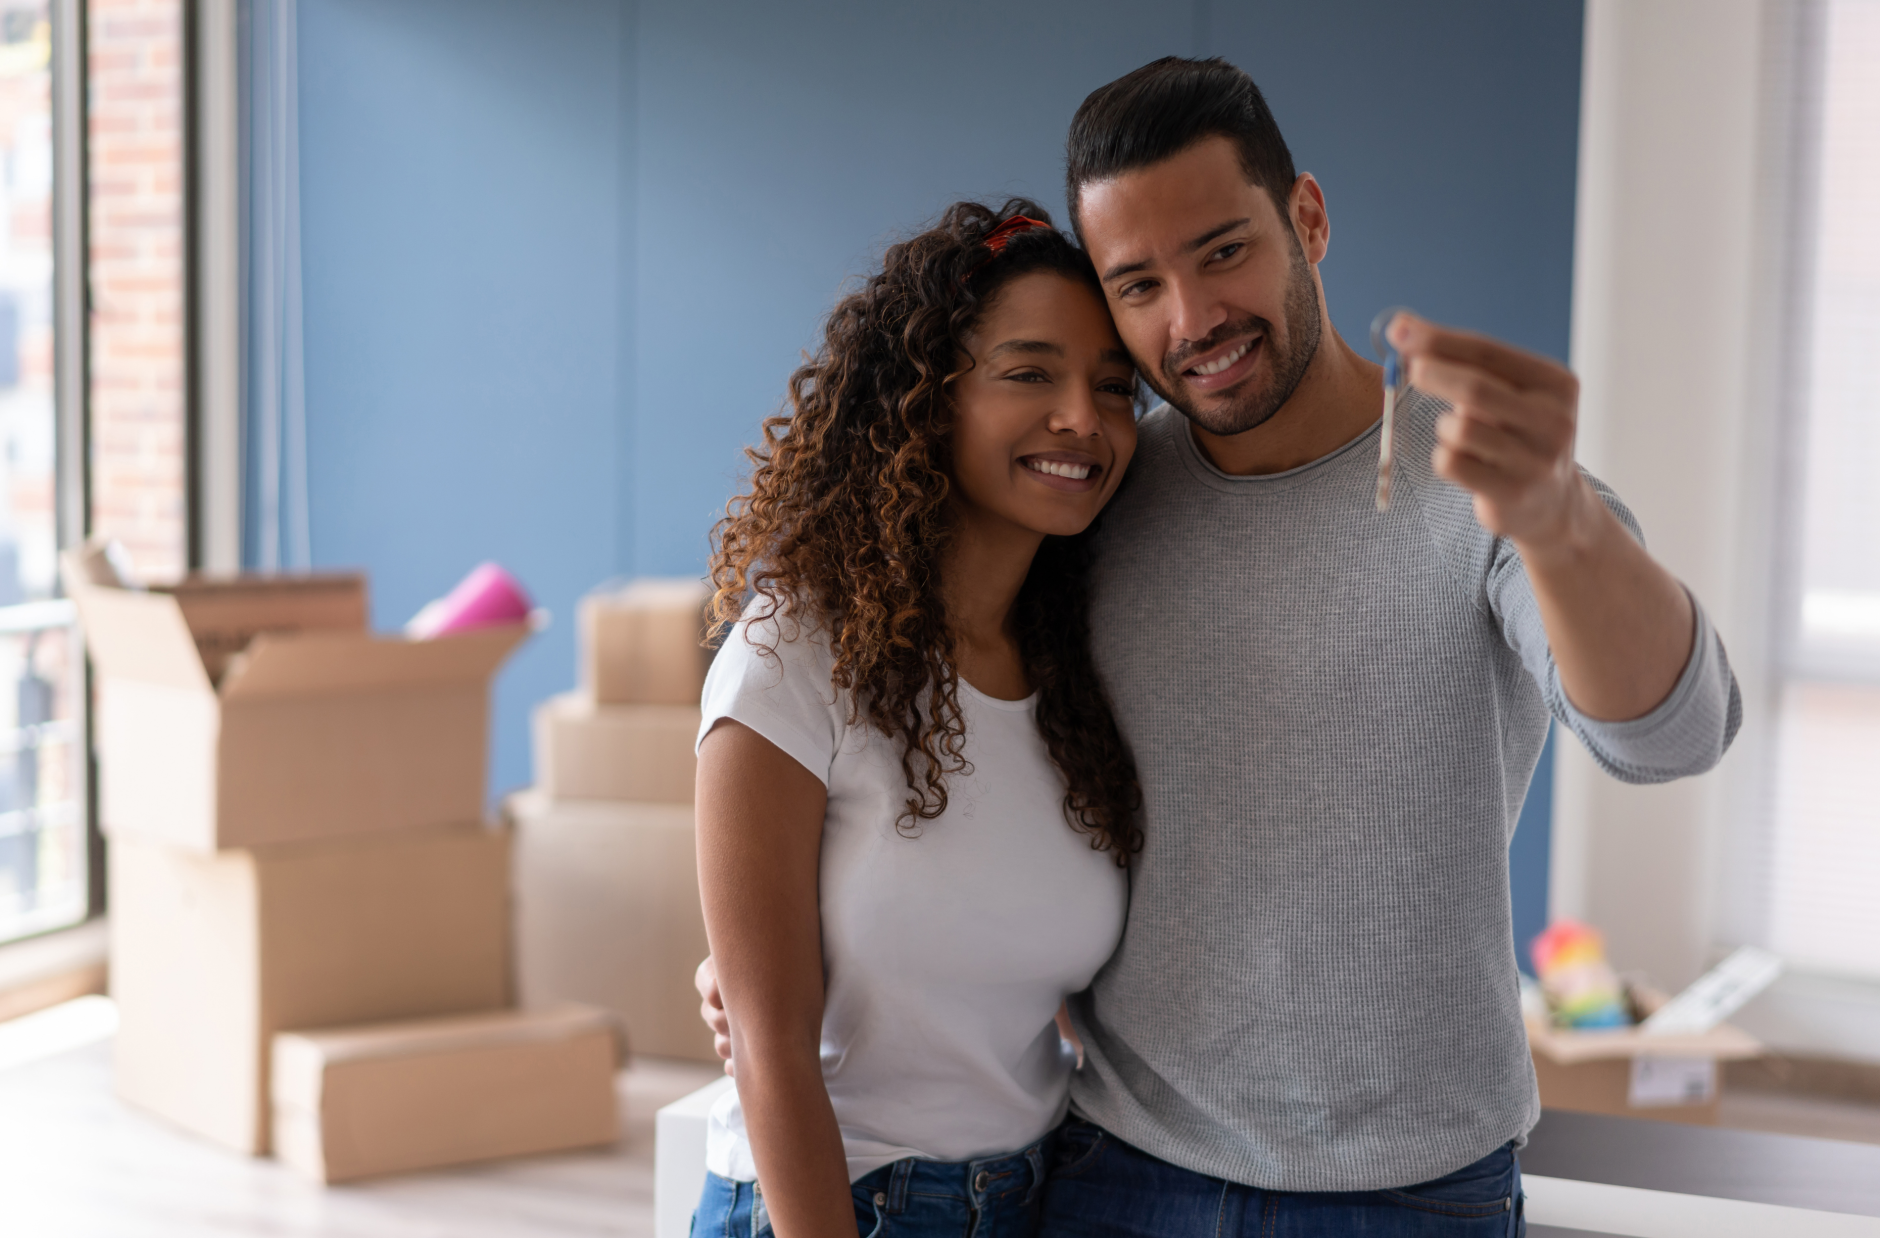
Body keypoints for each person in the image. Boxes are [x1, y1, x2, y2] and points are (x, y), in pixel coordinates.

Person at [701, 58, 1741, 1237]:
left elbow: (1673, 735)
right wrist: (776, 969)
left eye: (1223, 251)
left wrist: (1561, 523)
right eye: (1136, 282)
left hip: (1411, 1192)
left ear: (1307, 217)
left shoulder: (1488, 492)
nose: (1190, 320)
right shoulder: (1100, 495)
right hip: (1114, 1171)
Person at [692, 199, 1146, 1238]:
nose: (1082, 414)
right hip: (833, 1203)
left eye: (1114, 387)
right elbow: (770, 1051)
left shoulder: (1076, 675)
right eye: (1029, 371)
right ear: (925, 400)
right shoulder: (791, 654)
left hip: (1035, 1197)